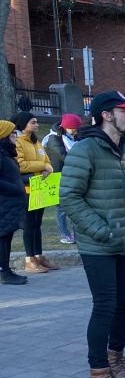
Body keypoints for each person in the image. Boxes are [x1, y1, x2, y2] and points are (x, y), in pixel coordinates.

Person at [60, 90, 125, 378]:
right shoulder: (85, 150)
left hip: (124, 241)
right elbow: (69, 197)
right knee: (105, 306)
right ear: (107, 115)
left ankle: (116, 358)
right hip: (98, 243)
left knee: (124, 304)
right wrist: (100, 230)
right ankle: (98, 377)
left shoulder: (124, 150)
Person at [12, 111, 57, 273]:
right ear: (24, 124)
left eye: (37, 122)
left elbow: (47, 160)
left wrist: (47, 167)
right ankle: (29, 259)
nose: (37, 125)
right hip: (27, 189)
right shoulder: (17, 142)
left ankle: (39, 256)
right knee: (29, 225)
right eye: (33, 122)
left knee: (38, 224)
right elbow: (21, 165)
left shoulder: (36, 141)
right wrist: (42, 166)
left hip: (41, 189)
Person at [43, 113, 82, 244]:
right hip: (59, 175)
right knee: (61, 208)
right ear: (65, 127)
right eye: (73, 128)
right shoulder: (54, 139)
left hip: (72, 175)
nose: (76, 130)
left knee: (74, 204)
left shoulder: (74, 136)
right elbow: (63, 156)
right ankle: (64, 234)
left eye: (77, 128)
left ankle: (76, 233)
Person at [0, 120, 28, 285]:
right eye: (12, 134)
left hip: (9, 205)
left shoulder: (6, 154)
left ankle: (6, 269)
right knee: (3, 239)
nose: (16, 138)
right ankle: (4, 271)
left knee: (6, 237)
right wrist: (14, 189)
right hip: (3, 204)